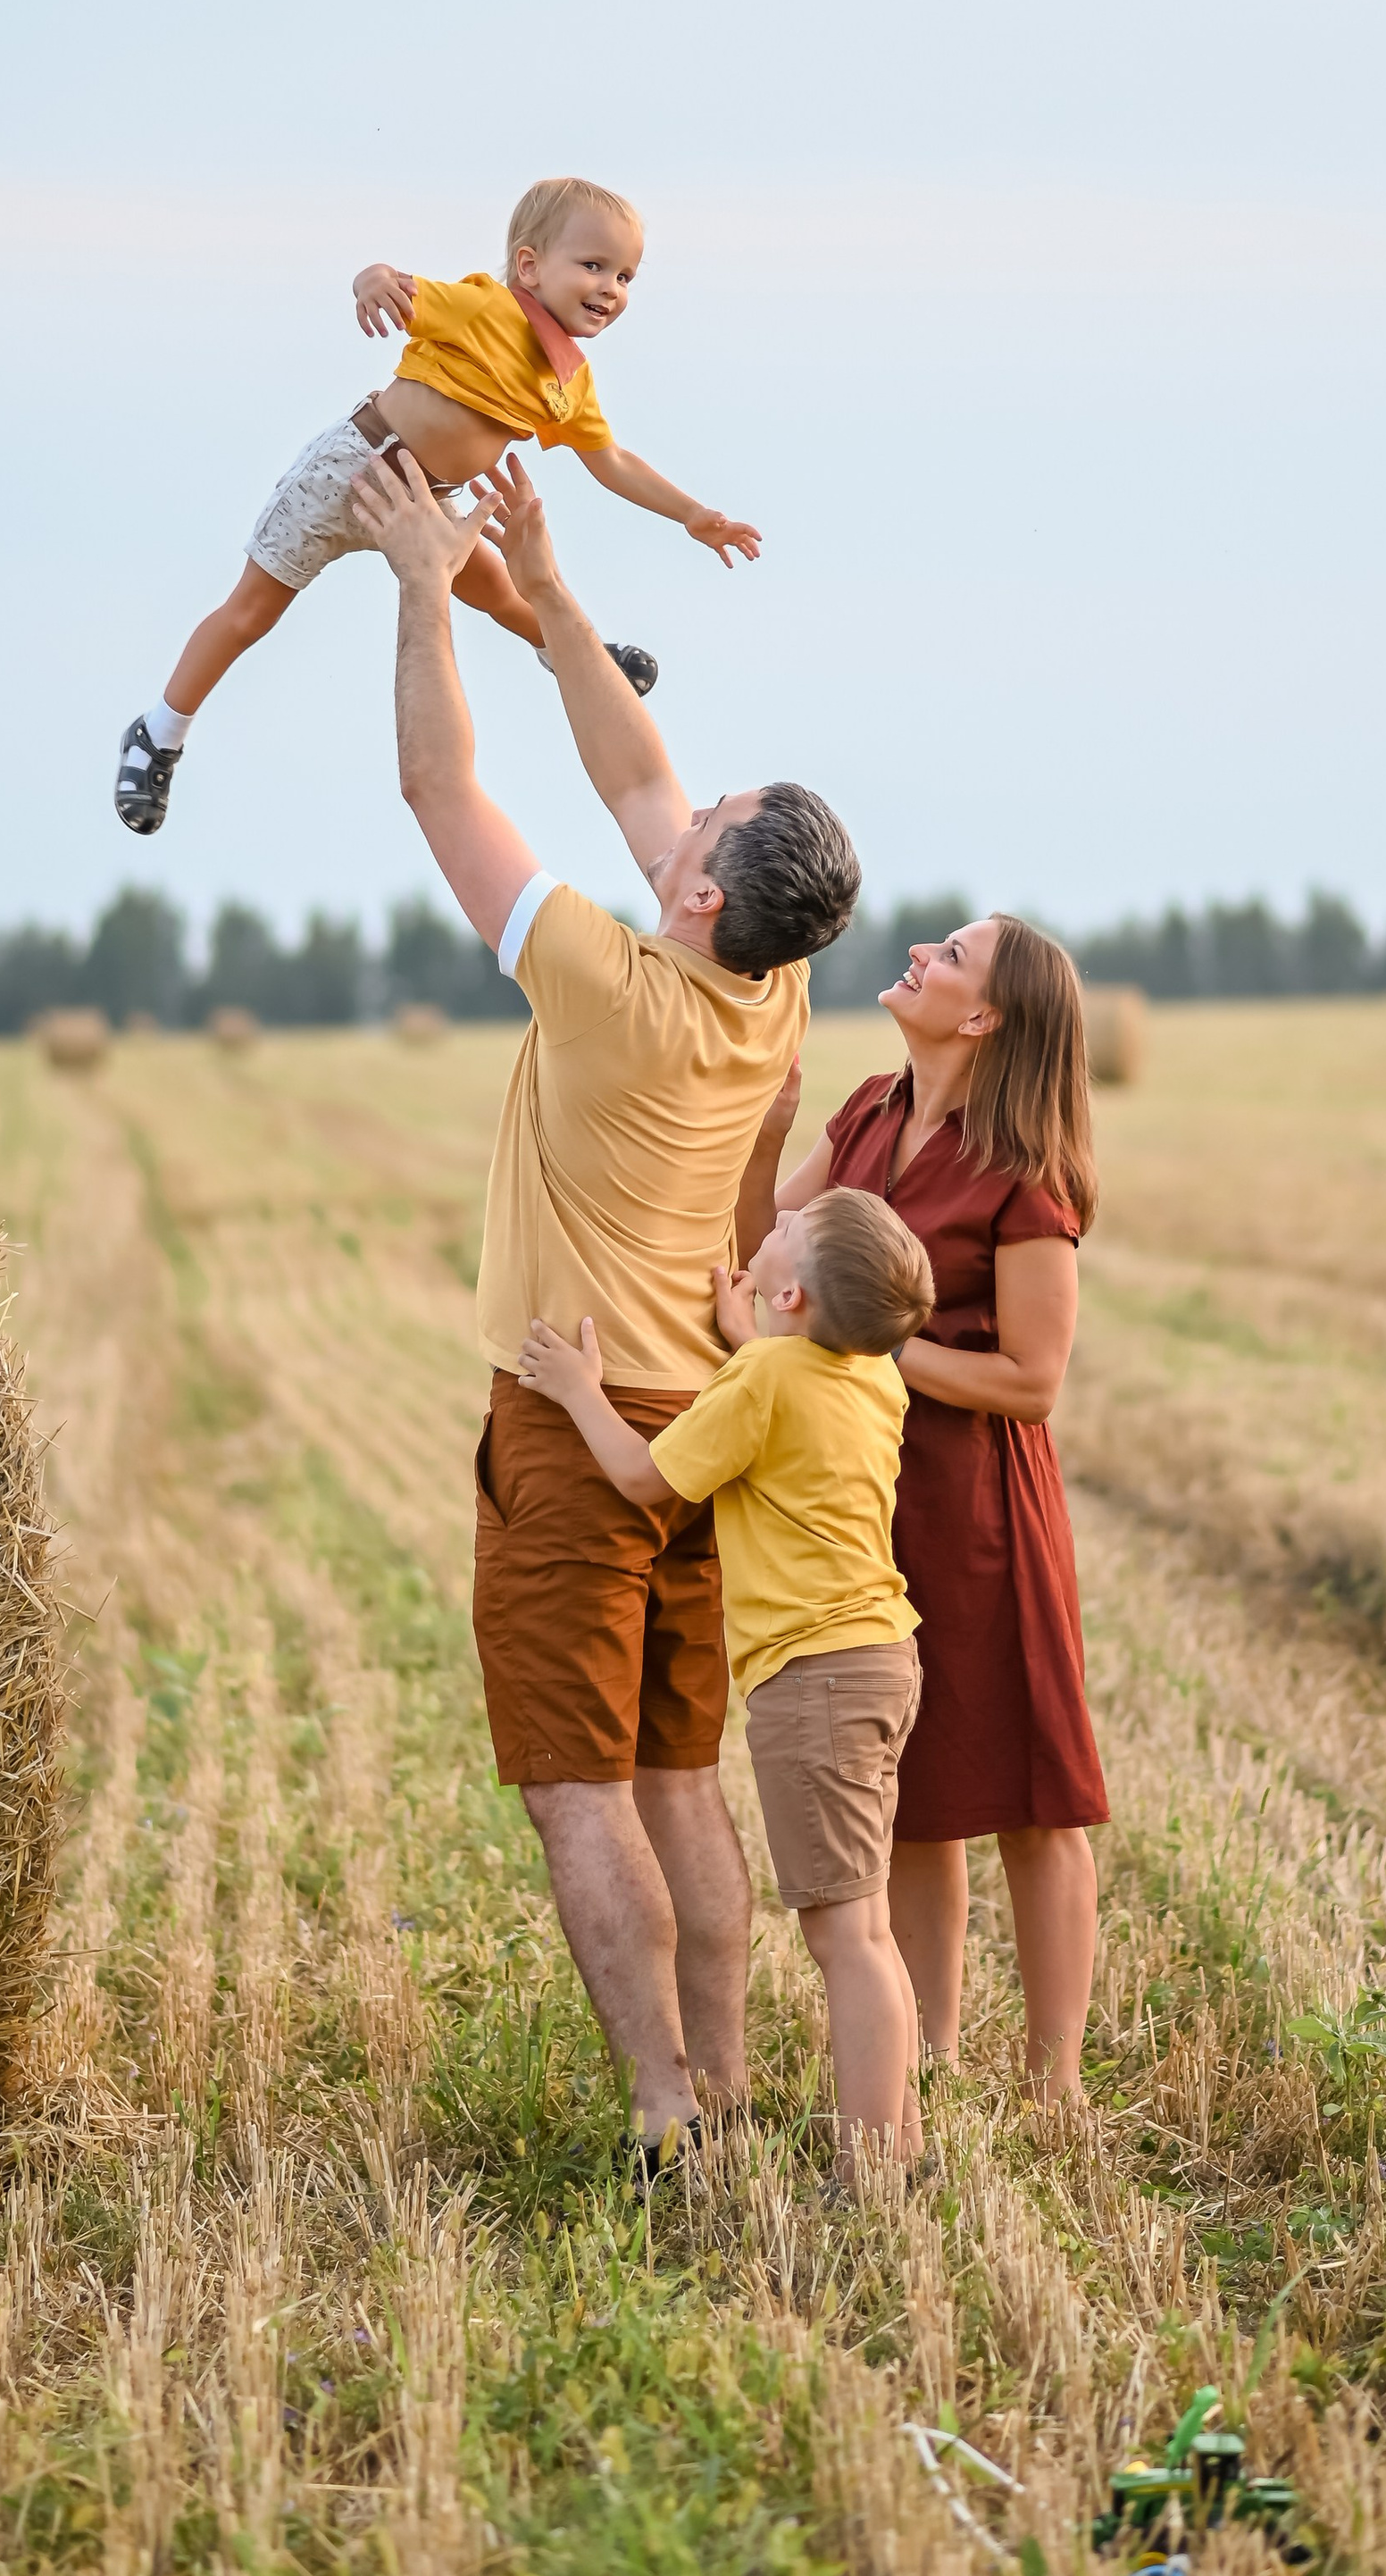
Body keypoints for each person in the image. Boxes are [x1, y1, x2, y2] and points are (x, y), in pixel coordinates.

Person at [343, 440, 859, 2168]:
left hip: (574, 1433)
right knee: (673, 1780)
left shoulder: (607, 979)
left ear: (702, 891)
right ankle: (719, 2080)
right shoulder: (767, 991)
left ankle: (659, 2110)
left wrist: (428, 585)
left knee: (580, 1786)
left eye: (703, 825)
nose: (681, 805)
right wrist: (551, 590)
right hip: (693, 1431)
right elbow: (639, 769)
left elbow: (442, 792)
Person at [736, 916, 1108, 2101]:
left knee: (1036, 1804)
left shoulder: (1024, 1172)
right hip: (864, 1493)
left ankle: (1057, 2087)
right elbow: (763, 1256)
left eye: (949, 956)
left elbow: (1032, 1382)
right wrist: (765, 1142)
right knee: (916, 1800)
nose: (918, 955)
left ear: (986, 1016)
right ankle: (932, 2062)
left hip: (982, 1511)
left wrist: (878, 1351)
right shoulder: (864, 1115)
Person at [114, 175, 763, 832]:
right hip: (356, 470)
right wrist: (370, 280)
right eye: (593, 266)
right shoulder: (486, 308)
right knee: (251, 611)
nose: (610, 289)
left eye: (626, 277)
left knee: (500, 588)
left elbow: (611, 461)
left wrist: (690, 513)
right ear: (531, 267)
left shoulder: (568, 379)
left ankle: (577, 652)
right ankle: (158, 733)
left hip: (428, 500)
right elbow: (395, 282)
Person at [518, 1187, 937, 2180]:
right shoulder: (872, 1374)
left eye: (781, 1234)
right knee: (868, 1927)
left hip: (816, 1679)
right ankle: (899, 2140)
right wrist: (754, 1333)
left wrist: (581, 1387)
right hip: (882, 1657)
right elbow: (792, 1376)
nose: (765, 1232)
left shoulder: (764, 1384)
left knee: (845, 1937)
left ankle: (870, 2165)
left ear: (791, 1293)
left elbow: (642, 1478)